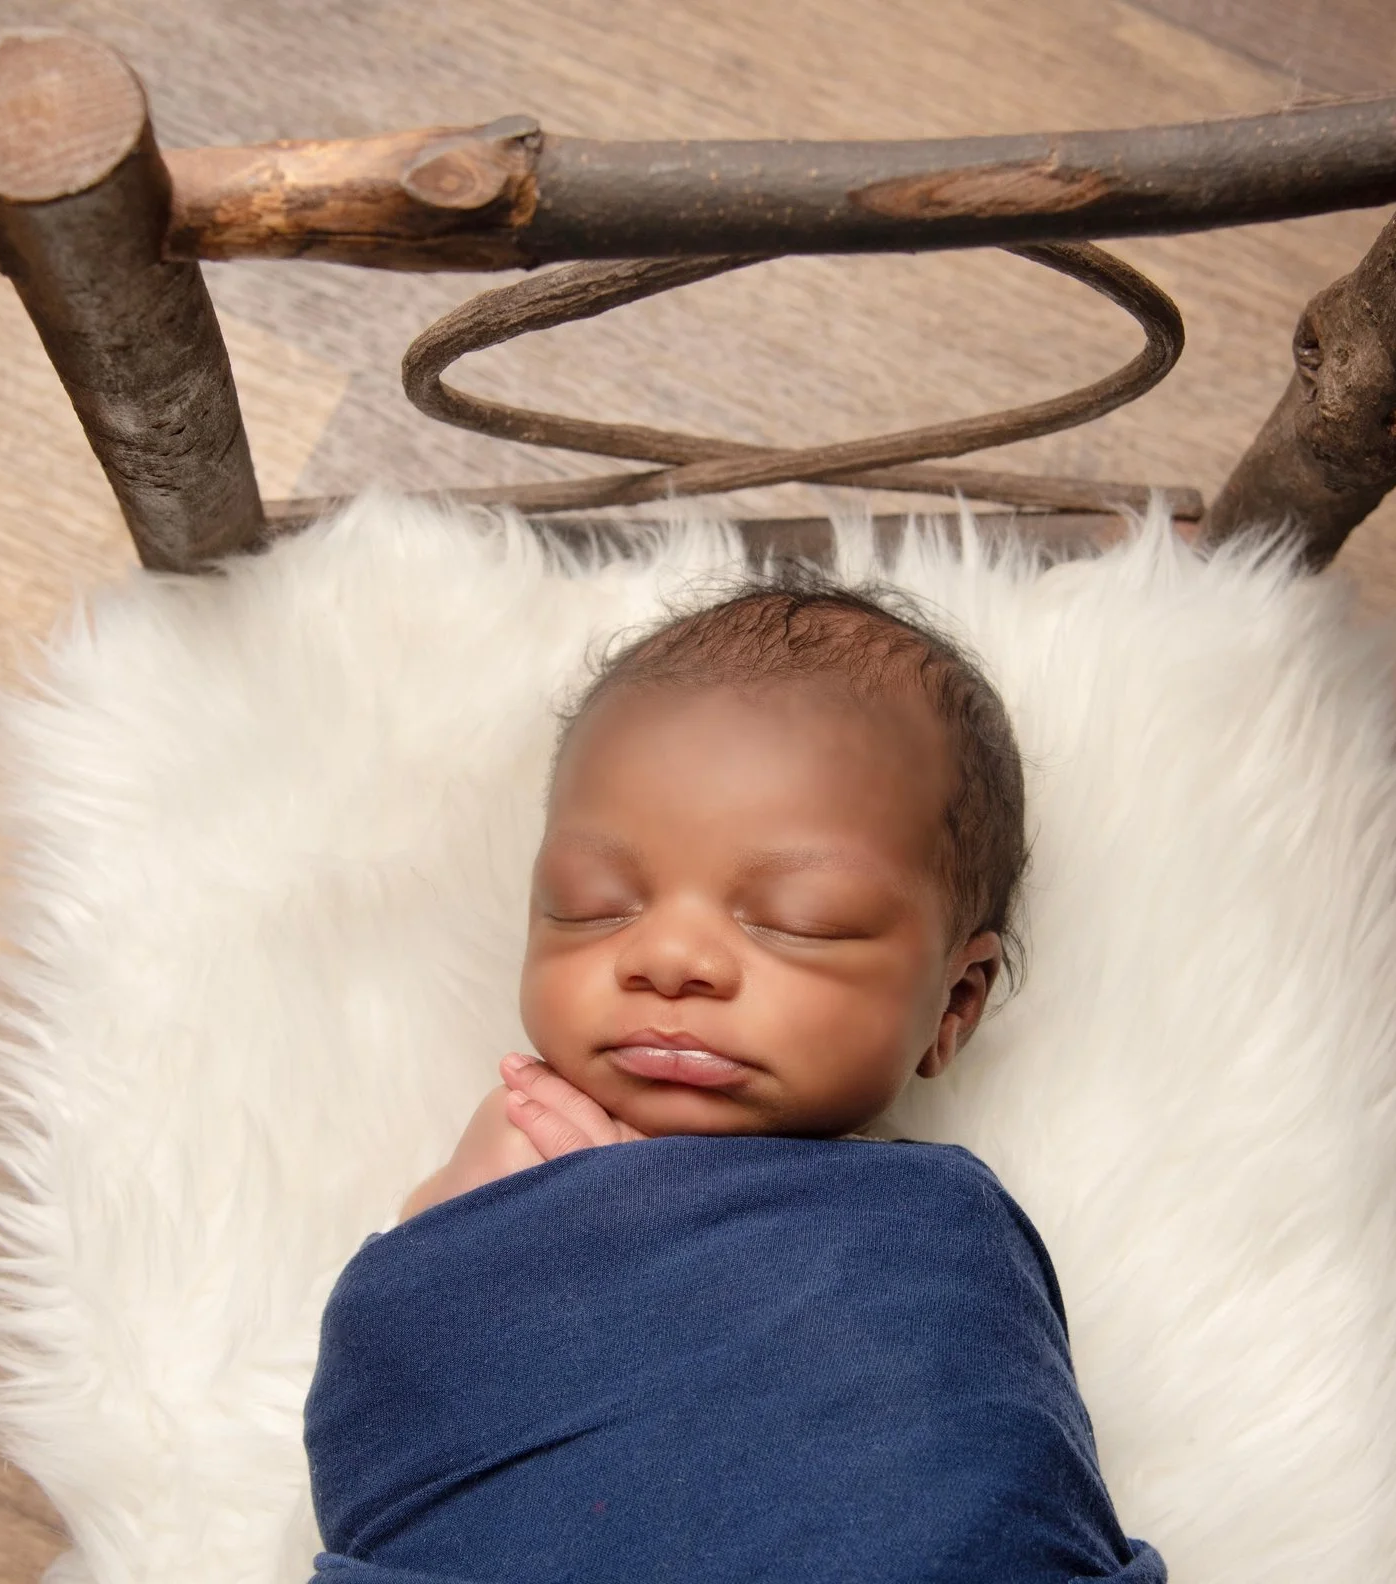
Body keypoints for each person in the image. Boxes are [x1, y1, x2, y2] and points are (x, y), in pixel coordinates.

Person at [304, 573, 1166, 1584]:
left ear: (954, 1001)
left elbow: (969, 1471)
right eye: (592, 905)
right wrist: (513, 1219)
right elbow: (404, 1348)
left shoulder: (931, 1234)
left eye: (797, 918)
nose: (668, 958)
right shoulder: (519, 1145)